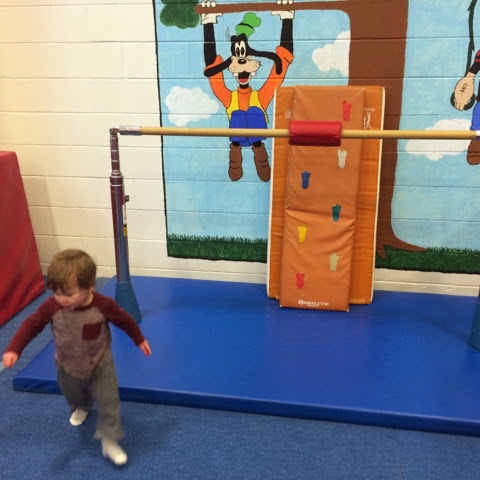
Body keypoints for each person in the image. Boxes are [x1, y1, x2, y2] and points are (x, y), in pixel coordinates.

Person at [2, 249, 152, 466]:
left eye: (68, 294)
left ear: (90, 286)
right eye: (56, 293)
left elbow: (125, 320)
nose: (61, 299)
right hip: (67, 365)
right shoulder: (53, 306)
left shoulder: (102, 305)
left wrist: (139, 339)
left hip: (100, 365)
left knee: (109, 402)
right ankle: (81, 406)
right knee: (73, 394)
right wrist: (14, 348)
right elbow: (31, 324)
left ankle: (109, 440)